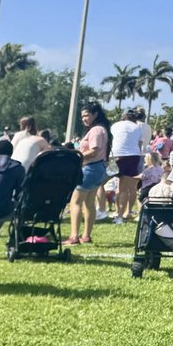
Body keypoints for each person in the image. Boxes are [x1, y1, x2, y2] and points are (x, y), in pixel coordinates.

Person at [64, 101, 111, 247]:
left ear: (95, 114)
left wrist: (77, 155)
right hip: (98, 169)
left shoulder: (96, 130)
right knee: (89, 203)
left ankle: (73, 236)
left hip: (90, 168)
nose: (84, 118)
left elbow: (94, 151)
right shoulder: (102, 129)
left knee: (75, 202)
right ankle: (86, 236)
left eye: (86, 115)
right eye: (82, 116)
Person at [110, 109, 145, 222]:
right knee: (124, 188)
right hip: (132, 156)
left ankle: (102, 208)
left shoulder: (115, 125)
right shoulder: (138, 128)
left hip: (115, 156)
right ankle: (120, 215)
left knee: (102, 183)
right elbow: (139, 146)